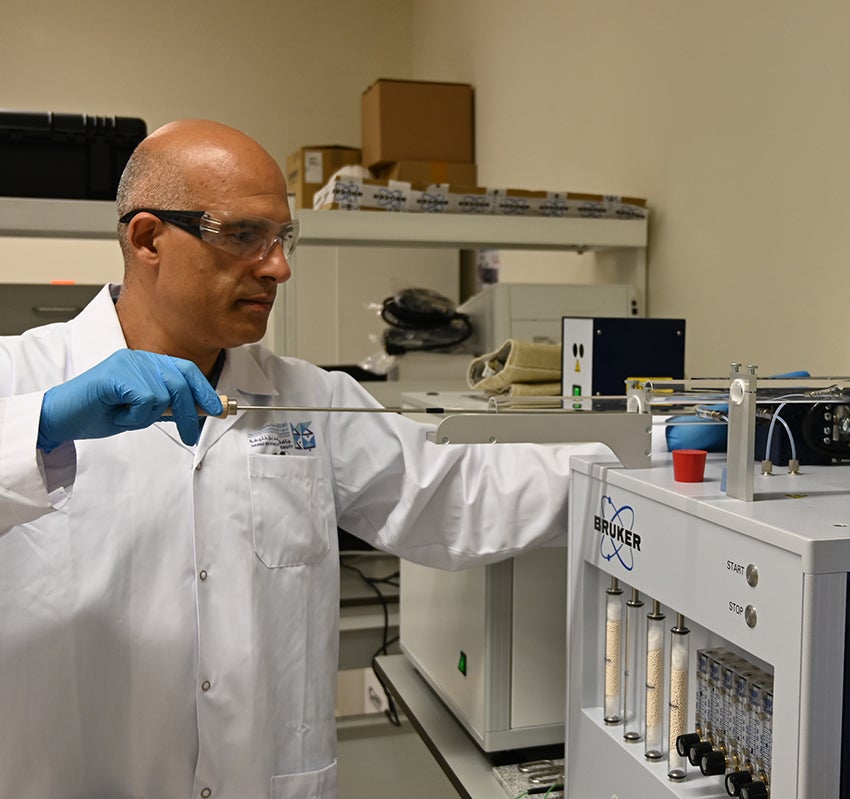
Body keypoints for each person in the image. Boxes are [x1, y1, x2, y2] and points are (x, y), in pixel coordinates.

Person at [0, 119, 601, 798]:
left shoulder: (308, 397)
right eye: (243, 235)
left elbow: (453, 493)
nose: (277, 266)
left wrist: (627, 471)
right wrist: (43, 424)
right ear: (147, 239)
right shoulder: (22, 377)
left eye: (282, 238)